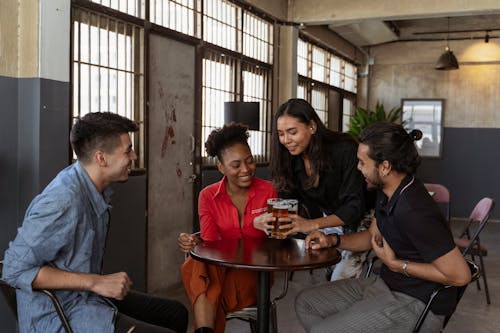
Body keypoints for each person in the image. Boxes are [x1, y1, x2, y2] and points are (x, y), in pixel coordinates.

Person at [2, 112, 188, 333]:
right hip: (60, 313)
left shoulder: (92, 187)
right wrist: (95, 282)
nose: (134, 156)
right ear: (101, 158)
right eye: (128, 151)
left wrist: (95, 284)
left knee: (177, 313)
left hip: (86, 297)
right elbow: (12, 270)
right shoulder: (63, 200)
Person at [295, 122, 471, 333]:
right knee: (306, 302)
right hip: (386, 285)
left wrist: (398, 265)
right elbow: (372, 236)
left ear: (385, 167)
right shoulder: (386, 191)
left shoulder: (414, 211)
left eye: (361, 162)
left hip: (418, 304)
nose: (357, 168)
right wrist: (333, 241)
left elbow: (461, 275)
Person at [178, 123, 277, 333]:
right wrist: (196, 241)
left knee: (198, 272)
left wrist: (259, 227)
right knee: (199, 265)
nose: (246, 169)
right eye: (236, 165)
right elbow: (211, 243)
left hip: (254, 276)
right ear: (221, 167)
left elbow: (278, 242)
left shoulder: (269, 191)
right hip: (219, 272)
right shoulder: (207, 196)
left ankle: (204, 329)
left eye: (250, 161)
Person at [266, 98, 367, 280]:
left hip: (363, 221)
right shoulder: (291, 158)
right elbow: (286, 198)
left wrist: (312, 224)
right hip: (330, 222)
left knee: (340, 280)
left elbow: (354, 206)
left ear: (312, 127)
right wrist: (272, 221)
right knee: (325, 272)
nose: (286, 140)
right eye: (281, 134)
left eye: (292, 132)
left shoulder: (345, 150)